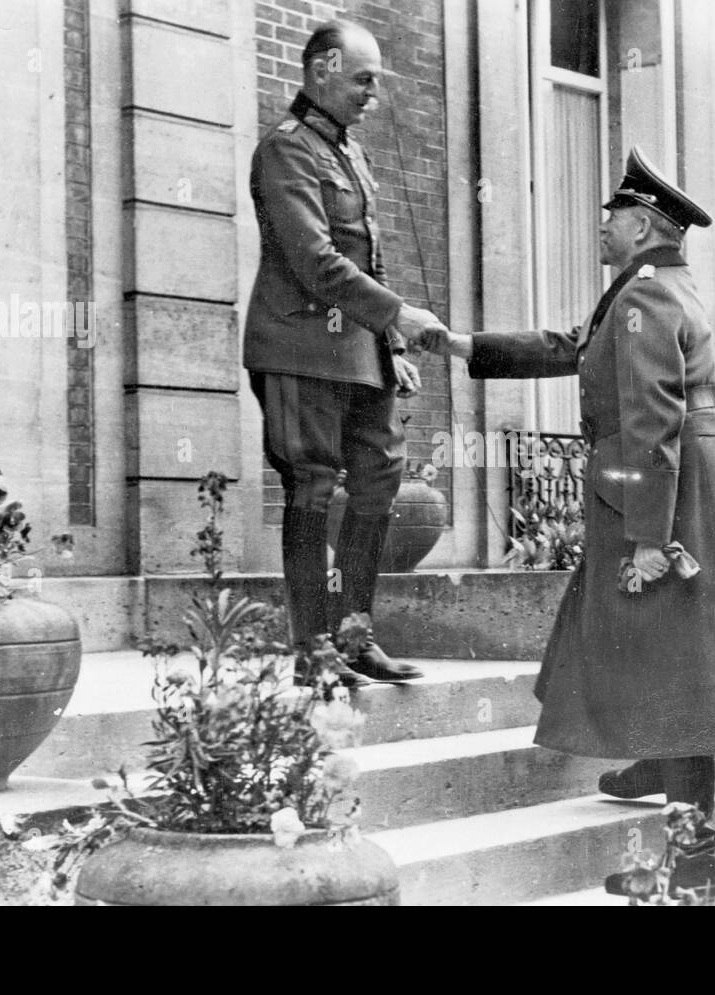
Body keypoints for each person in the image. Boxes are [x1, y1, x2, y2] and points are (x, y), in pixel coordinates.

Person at [426, 148, 715, 896]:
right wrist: (466, 345)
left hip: (665, 497)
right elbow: (573, 346)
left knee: (683, 680)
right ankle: (656, 777)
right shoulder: (649, 290)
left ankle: (693, 877)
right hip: (673, 491)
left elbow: (652, 422)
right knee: (665, 662)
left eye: (613, 217)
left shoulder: (643, 299)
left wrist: (653, 541)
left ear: (645, 225)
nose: (601, 227)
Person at [245, 20, 446, 686]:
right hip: (300, 347)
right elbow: (315, 261)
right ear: (323, 67)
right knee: (312, 485)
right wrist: (398, 315)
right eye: (364, 80)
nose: (372, 96)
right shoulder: (285, 151)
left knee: (378, 484)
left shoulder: (350, 154)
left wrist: (389, 342)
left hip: (361, 352)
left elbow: (371, 256)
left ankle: (355, 637)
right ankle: (312, 651)